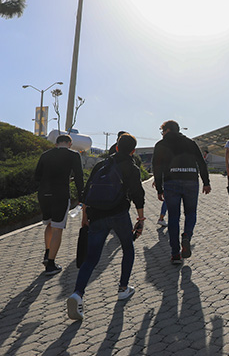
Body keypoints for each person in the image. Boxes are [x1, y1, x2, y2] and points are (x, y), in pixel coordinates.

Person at [66, 133, 146, 321]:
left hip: (96, 215)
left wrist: (84, 216)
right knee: (128, 247)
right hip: (119, 214)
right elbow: (138, 195)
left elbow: (86, 192)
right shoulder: (132, 168)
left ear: (116, 147)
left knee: (91, 258)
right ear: (133, 151)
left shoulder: (101, 165)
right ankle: (123, 288)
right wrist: (141, 219)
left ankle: (77, 294)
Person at [152, 120, 211, 264]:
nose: (162, 134)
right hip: (191, 180)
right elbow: (201, 163)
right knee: (191, 213)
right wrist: (206, 182)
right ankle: (187, 236)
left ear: (167, 130)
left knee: (173, 217)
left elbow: (157, 167)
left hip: (171, 182)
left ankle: (175, 254)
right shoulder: (190, 143)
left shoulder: (161, 145)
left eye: (162, 131)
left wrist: (159, 188)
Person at [34, 133, 84, 275]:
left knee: (49, 224)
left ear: (56, 144)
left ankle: (47, 253)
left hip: (44, 194)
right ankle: (51, 264)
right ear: (70, 144)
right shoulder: (73, 155)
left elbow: (37, 176)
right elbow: (79, 177)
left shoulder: (45, 155)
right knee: (57, 228)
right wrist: (82, 197)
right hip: (60, 194)